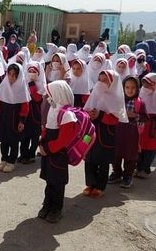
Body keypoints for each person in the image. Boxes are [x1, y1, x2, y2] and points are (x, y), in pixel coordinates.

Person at [38, 80, 78, 223]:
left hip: (58, 154)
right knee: (49, 180)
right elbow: (46, 129)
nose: (48, 97)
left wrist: (47, 149)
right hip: (48, 152)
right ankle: (47, 204)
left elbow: (63, 140)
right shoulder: (53, 110)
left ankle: (56, 208)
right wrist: (41, 144)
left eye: (50, 94)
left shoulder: (67, 115)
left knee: (58, 182)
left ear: (58, 95)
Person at [83, 70, 127, 198]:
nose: (101, 83)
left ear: (112, 82)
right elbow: (86, 110)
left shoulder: (117, 98)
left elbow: (115, 119)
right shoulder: (95, 93)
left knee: (103, 161)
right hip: (91, 133)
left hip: (106, 135)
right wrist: (90, 115)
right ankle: (91, 183)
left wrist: (100, 115)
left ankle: (100, 186)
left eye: (105, 80)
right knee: (89, 159)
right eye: (100, 79)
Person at [0, 63, 31, 173]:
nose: (11, 77)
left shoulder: (22, 88)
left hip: (15, 119)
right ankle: (4, 159)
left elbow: (25, 106)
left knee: (13, 141)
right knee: (3, 141)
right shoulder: (3, 85)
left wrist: (22, 121)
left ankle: (11, 161)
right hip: (3, 117)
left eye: (14, 75)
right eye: (9, 74)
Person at [108, 76, 143, 188]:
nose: (130, 90)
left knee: (130, 156)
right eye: (127, 87)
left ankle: (128, 176)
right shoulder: (119, 101)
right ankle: (117, 173)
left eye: (133, 87)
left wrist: (135, 115)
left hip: (132, 134)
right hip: (118, 131)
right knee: (116, 155)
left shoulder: (139, 103)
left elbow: (144, 117)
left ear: (137, 88)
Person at [20, 61, 45, 164]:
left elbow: (37, 98)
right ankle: (23, 154)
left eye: (34, 71)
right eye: (29, 71)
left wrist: (31, 84)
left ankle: (31, 155)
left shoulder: (41, 85)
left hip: (36, 114)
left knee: (34, 136)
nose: (32, 73)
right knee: (24, 136)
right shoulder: (23, 82)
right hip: (26, 113)